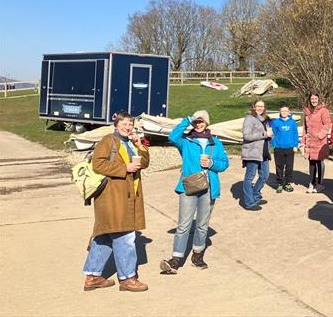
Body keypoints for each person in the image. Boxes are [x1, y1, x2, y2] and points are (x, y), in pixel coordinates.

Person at [82, 112, 149, 292]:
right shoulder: (108, 140)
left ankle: (92, 276)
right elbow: (98, 164)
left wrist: (140, 145)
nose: (128, 127)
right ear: (116, 125)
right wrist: (124, 168)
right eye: (124, 124)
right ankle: (127, 278)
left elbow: (145, 163)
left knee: (104, 236)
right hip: (112, 197)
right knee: (125, 236)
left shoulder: (131, 143)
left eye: (130, 125)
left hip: (128, 196)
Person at [160, 110, 229, 274]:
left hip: (209, 187)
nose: (199, 124)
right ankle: (175, 260)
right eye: (196, 121)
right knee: (183, 225)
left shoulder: (216, 143)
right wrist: (188, 119)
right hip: (188, 187)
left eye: (202, 121)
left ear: (207, 123)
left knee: (202, 225)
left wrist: (211, 163)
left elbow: (224, 164)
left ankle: (197, 256)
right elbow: (172, 136)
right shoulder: (185, 141)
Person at [240, 98, 272, 211]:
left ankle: (255, 195)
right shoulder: (250, 119)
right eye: (258, 106)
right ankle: (249, 202)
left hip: (263, 153)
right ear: (254, 107)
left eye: (262, 106)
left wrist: (269, 135)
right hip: (252, 152)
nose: (260, 108)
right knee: (249, 177)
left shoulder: (263, 120)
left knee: (264, 176)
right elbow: (247, 136)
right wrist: (264, 133)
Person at [302, 92, 331, 193]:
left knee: (319, 161)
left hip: (320, 141)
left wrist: (320, 135)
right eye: (312, 99)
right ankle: (311, 182)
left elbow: (327, 124)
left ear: (318, 99)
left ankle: (320, 183)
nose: (314, 101)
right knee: (311, 161)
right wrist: (303, 141)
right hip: (310, 141)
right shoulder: (307, 112)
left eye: (315, 98)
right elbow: (305, 128)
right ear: (309, 100)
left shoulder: (324, 110)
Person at [272, 104, 299, 193]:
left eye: (286, 111)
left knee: (289, 166)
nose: (284, 112)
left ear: (289, 112)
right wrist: (274, 145)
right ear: (280, 112)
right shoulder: (276, 122)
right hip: (279, 148)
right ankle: (280, 183)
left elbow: (295, 134)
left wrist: (295, 145)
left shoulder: (292, 122)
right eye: (282, 111)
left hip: (290, 148)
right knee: (279, 166)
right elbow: (274, 134)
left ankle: (287, 183)